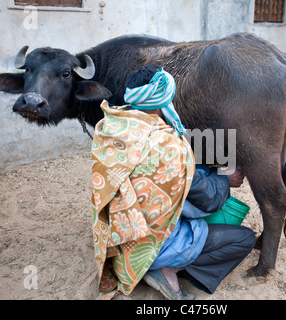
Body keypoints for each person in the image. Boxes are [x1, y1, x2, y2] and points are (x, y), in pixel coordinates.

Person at [91, 64, 255, 300]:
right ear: (161, 101)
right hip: (152, 248)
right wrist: (225, 179)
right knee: (244, 239)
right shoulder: (168, 145)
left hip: (118, 244)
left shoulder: (110, 128)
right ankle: (167, 269)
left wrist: (197, 168)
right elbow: (208, 199)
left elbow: (159, 175)